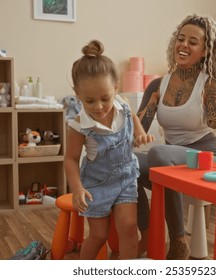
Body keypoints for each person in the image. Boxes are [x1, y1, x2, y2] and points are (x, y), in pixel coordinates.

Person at [135, 14, 216, 259]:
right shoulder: (158, 85)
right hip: (173, 161)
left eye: (193, 42)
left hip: (208, 159)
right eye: (180, 39)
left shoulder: (209, 85)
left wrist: (215, 99)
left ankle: (179, 241)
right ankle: (148, 234)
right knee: (126, 163)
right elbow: (138, 128)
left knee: (158, 152)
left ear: (205, 50)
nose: (184, 45)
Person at [64, 40, 154, 259]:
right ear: (77, 94)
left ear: (115, 87)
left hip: (124, 176)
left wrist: (139, 133)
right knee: (98, 235)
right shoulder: (79, 125)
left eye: (105, 98)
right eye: (89, 101)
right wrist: (77, 188)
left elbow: (133, 116)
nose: (99, 107)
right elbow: (71, 159)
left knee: (129, 228)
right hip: (96, 184)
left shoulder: (122, 104)